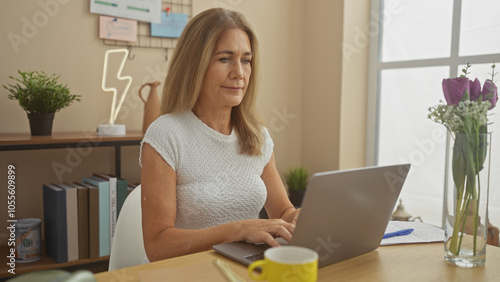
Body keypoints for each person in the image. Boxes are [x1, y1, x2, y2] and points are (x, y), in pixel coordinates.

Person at [140, 7, 300, 262]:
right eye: (225, 59)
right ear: (195, 65)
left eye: (246, 60)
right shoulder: (165, 135)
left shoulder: (257, 135)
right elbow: (157, 245)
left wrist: (299, 217)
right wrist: (239, 230)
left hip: (245, 269)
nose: (239, 73)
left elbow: (282, 210)